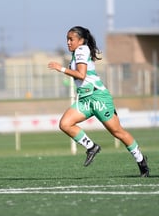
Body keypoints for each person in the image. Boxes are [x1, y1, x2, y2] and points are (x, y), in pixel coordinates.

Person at [48, 26, 149, 177]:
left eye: (71, 39)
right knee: (65, 124)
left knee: (118, 132)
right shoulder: (77, 53)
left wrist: (60, 69)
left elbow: (81, 75)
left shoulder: (82, 50)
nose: (68, 42)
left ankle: (141, 161)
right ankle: (91, 147)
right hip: (85, 99)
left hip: (97, 97)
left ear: (81, 41)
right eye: (67, 39)